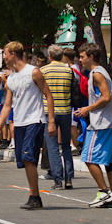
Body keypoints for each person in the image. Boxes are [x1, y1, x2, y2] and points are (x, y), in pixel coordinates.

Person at [0, 42, 56, 210]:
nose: (4, 57)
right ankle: (34, 196)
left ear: (14, 54)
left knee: (29, 159)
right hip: (20, 123)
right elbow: (7, 105)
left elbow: (48, 95)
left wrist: (51, 121)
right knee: (25, 161)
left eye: (5, 53)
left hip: (35, 121)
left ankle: (34, 197)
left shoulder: (34, 72)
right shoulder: (12, 79)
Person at [75, 43, 112, 208]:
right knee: (110, 161)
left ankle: (104, 192)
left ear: (91, 56)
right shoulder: (100, 72)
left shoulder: (97, 74)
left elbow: (106, 97)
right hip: (109, 122)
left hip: (101, 124)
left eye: (82, 57)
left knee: (88, 158)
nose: (80, 60)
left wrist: (87, 108)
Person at [41, 45, 74, 189]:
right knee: (66, 145)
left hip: (49, 112)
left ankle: (58, 179)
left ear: (50, 57)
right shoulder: (69, 70)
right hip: (66, 111)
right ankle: (69, 178)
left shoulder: (44, 71)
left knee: (53, 146)